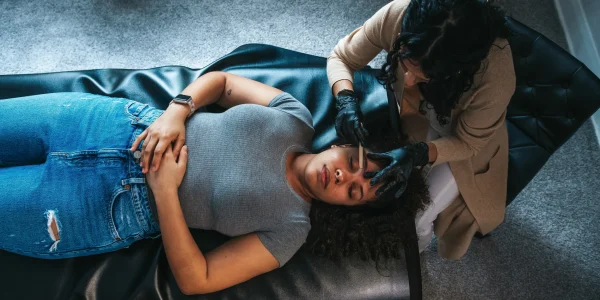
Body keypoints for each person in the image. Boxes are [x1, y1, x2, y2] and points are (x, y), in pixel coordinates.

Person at [0, 71, 429, 295]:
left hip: (99, 206)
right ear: (345, 143)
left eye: (353, 190)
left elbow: (197, 279)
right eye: (353, 162)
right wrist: (177, 111)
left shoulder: (290, 232)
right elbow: (222, 84)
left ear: (347, 209)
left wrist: (165, 192)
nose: (341, 176)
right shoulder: (294, 115)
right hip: (105, 123)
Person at [327, 0, 516, 259]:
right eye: (405, 62)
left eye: (423, 76)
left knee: (416, 219)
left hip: (466, 145)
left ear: (457, 70)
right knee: (392, 195)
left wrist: (417, 153)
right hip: (417, 115)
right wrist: (345, 99)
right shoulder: (398, 13)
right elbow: (341, 57)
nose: (407, 80)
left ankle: (416, 254)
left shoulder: (496, 76)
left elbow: (468, 144)